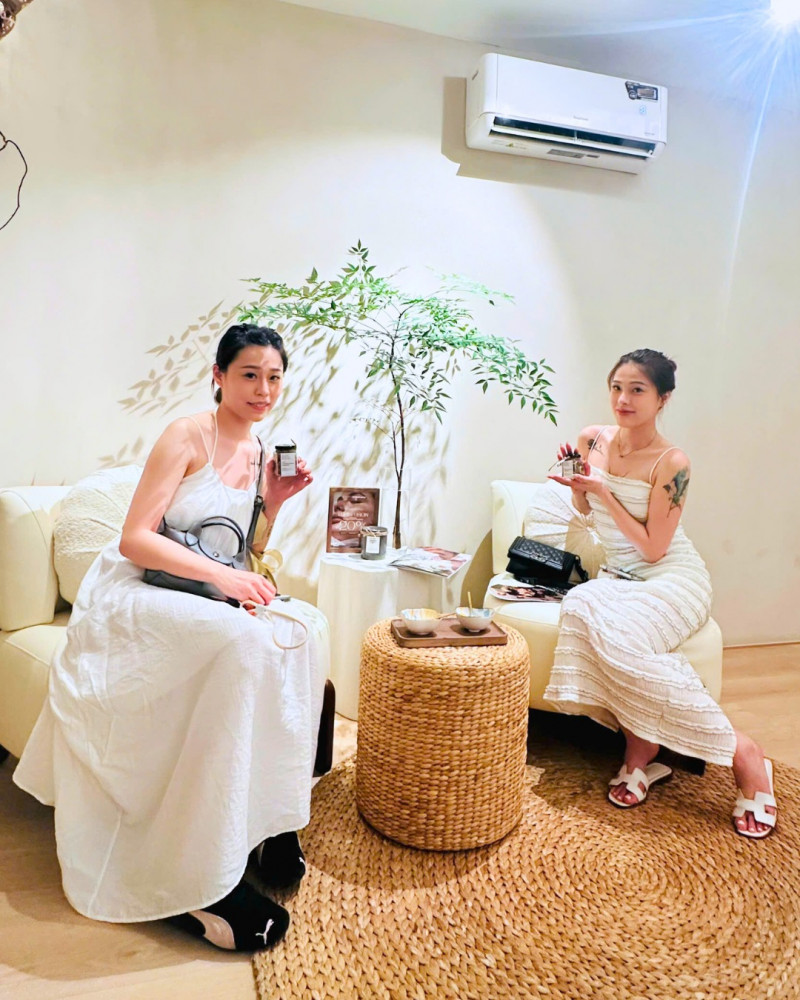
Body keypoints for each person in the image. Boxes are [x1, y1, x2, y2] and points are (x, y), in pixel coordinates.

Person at [13, 324, 328, 950]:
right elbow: (136, 538)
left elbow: (242, 549)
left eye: (273, 377)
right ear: (218, 376)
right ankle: (200, 871)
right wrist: (226, 580)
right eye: (249, 375)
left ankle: (268, 819)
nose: (263, 390)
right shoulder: (187, 434)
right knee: (242, 644)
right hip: (136, 591)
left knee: (303, 634)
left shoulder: (259, 449)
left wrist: (273, 501)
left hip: (202, 590)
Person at [544, 349, 777, 839]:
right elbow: (585, 509)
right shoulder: (592, 439)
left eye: (637, 390)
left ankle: (743, 753)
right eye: (617, 387)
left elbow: (653, 549)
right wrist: (577, 485)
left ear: (663, 398)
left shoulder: (673, 462)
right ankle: (643, 744)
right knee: (580, 606)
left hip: (672, 577)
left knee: (624, 640)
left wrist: (603, 491)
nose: (623, 399)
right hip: (617, 576)